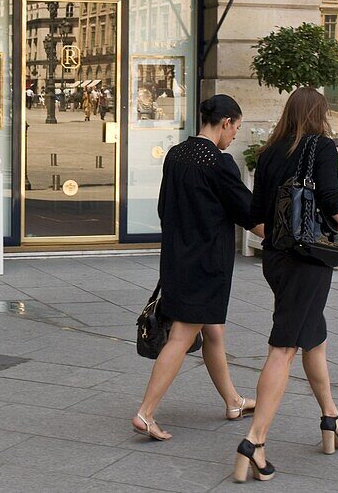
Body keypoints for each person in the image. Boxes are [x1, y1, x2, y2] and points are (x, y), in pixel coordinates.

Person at [233, 87, 338, 483]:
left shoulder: (270, 152)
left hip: (277, 258)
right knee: (284, 346)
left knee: (314, 335)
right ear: (319, 113)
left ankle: (331, 419)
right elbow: (330, 198)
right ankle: (254, 442)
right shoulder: (321, 147)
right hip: (307, 262)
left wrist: (283, 237)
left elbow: (255, 214)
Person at [133, 95, 265, 441]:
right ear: (226, 123)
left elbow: (164, 208)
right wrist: (283, 237)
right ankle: (146, 413)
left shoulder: (176, 155)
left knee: (214, 332)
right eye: (236, 128)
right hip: (207, 264)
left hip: (177, 258)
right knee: (181, 335)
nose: (235, 135)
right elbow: (249, 214)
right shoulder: (219, 163)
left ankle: (233, 401)